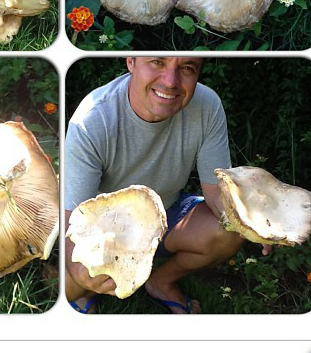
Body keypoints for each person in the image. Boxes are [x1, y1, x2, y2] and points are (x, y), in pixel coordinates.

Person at [65, 57, 270, 314]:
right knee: (71, 285)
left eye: (187, 68)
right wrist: (79, 271)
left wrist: (249, 223)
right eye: (157, 62)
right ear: (131, 62)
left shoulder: (207, 106)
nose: (171, 81)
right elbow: (74, 216)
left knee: (227, 232)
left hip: (167, 214)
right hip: (105, 231)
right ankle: (82, 294)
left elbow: (216, 192)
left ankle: (161, 281)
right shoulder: (93, 121)